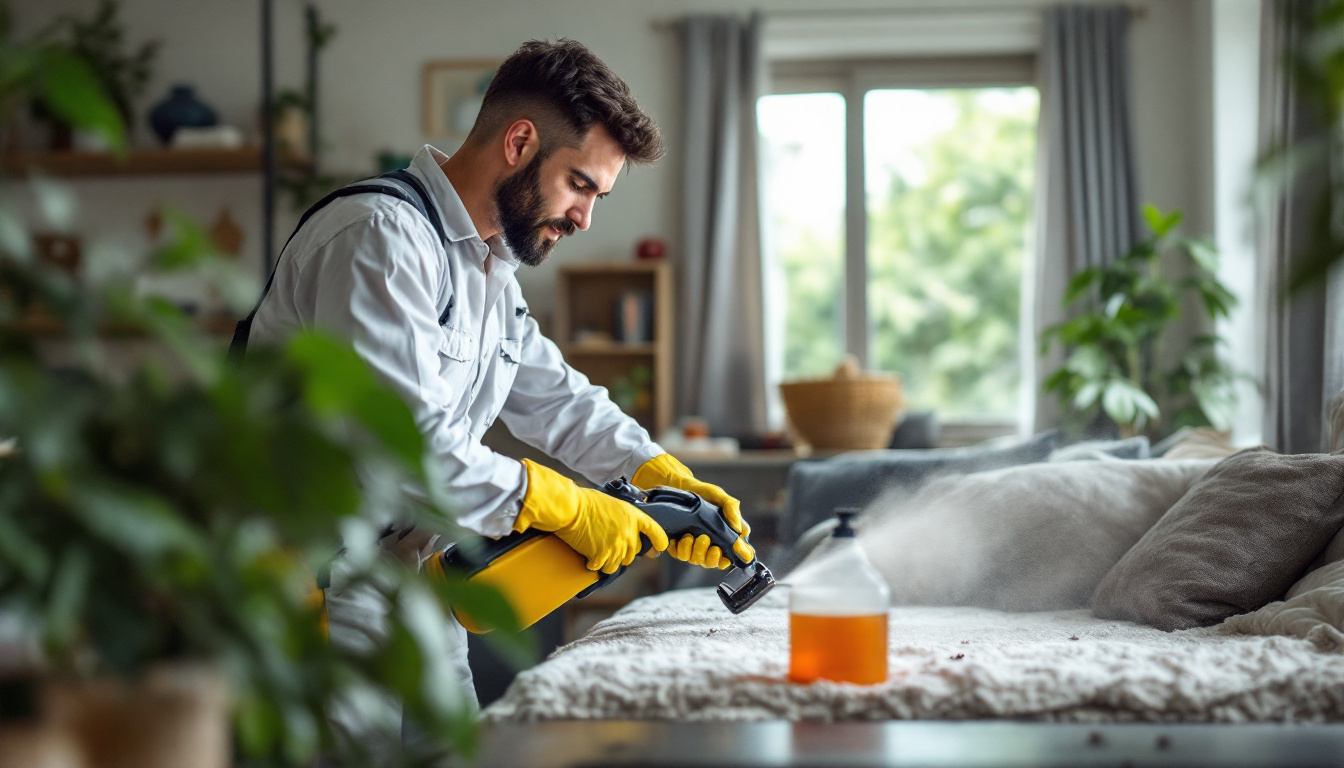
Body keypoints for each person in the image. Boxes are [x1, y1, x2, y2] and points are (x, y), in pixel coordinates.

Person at [245, 38, 755, 729]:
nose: (585, 218)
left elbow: (559, 399)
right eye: (580, 185)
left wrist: (661, 473)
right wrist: (564, 504)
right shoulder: (378, 237)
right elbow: (407, 450)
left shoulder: (489, 269)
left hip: (407, 577)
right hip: (314, 585)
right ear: (520, 142)